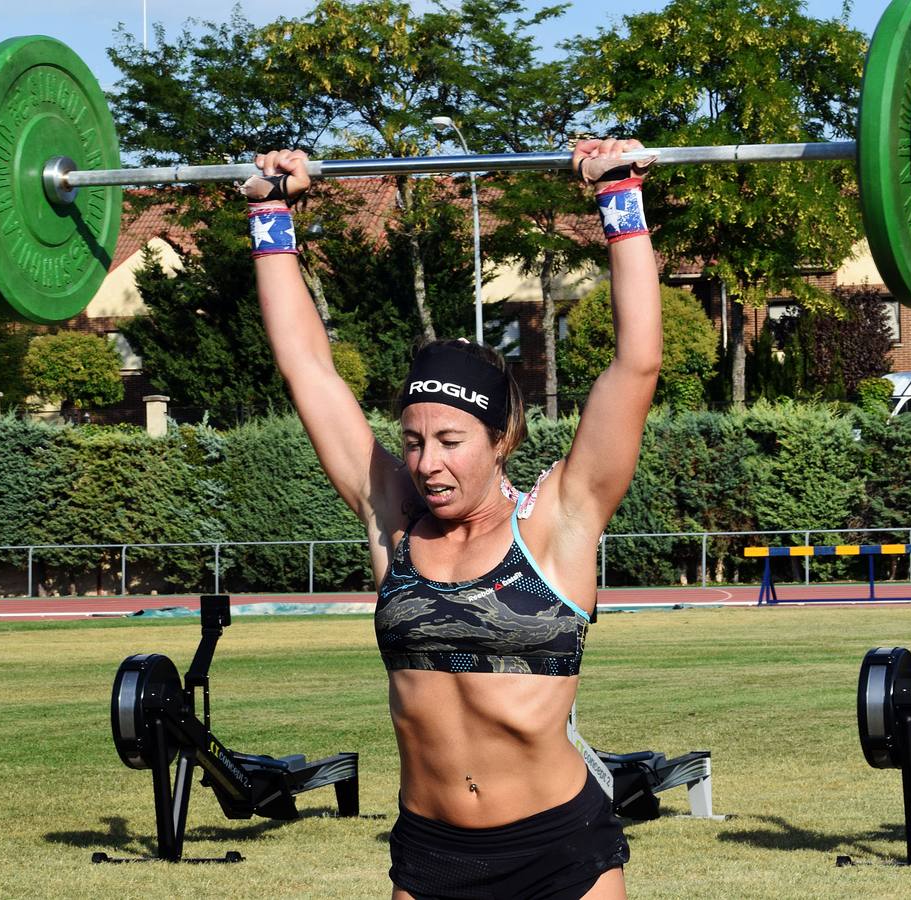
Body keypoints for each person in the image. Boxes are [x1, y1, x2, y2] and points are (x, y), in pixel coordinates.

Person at [244, 138, 661, 899]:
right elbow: (308, 370)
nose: (426, 463)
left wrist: (619, 199)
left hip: (558, 851)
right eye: (411, 441)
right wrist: (271, 215)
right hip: (432, 851)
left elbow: (635, 364)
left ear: (501, 438)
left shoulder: (559, 519)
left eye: (448, 441)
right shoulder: (393, 521)